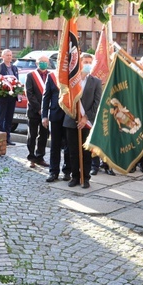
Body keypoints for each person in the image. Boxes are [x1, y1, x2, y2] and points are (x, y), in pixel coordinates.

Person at [63, 53, 102, 189]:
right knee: (73, 151)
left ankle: (85, 178)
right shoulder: (72, 81)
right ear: (80, 63)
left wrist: (85, 118)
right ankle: (74, 176)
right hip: (71, 120)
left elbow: (97, 103)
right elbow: (66, 100)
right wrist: (76, 116)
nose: (87, 64)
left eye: (90, 62)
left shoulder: (96, 82)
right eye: (85, 61)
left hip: (87, 122)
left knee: (86, 152)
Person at [42, 69, 71, 182]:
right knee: (55, 146)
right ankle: (53, 172)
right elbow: (46, 97)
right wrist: (44, 116)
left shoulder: (72, 75)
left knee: (68, 145)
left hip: (69, 115)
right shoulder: (52, 76)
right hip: (55, 116)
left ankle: (67, 171)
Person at [25, 55, 51, 167]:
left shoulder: (51, 75)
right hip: (34, 111)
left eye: (45, 61)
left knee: (44, 135)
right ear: (37, 63)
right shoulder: (31, 75)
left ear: (48, 62)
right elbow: (29, 94)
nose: (43, 63)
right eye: (41, 61)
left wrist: (46, 110)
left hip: (47, 112)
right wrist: (39, 108)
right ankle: (31, 157)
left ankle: (40, 157)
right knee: (32, 134)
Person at [0, 49, 19, 145]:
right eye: (7, 55)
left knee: (9, 118)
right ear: (3, 56)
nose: (9, 57)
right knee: (1, 118)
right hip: (2, 97)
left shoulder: (14, 68)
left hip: (12, 97)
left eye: (10, 55)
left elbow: (17, 81)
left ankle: (7, 138)